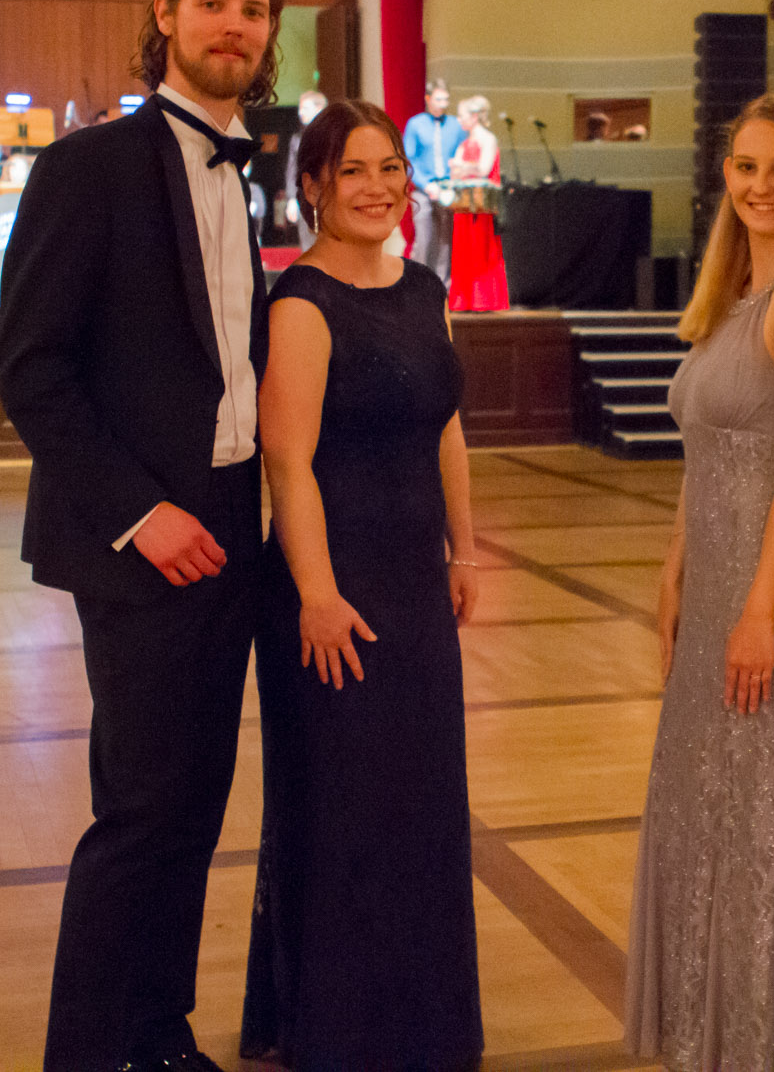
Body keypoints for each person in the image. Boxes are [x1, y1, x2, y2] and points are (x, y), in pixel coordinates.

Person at [0, 0, 284, 1072]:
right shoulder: (88, 166)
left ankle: (156, 1035)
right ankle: (83, 1053)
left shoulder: (240, 174)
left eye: (252, 11)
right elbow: (31, 369)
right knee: (140, 811)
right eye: (213, 3)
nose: (233, 27)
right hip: (140, 536)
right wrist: (138, 513)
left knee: (195, 804)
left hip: (230, 527)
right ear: (165, 15)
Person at [626, 94, 774, 1068]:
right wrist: (676, 569)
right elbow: (707, 458)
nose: (761, 186)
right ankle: (720, 1034)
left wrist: (761, 608)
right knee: (712, 814)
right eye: (746, 166)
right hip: (716, 590)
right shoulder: (728, 295)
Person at [249, 99, 483, 1069]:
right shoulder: (301, 302)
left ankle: (420, 1021)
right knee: (346, 802)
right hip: (332, 583)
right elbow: (287, 459)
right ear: (312, 186)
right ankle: (341, 1027)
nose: (378, 186)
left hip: (414, 582)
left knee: (420, 801)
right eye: (353, 170)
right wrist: (315, 591)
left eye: (390, 168)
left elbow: (446, 426)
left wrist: (463, 549)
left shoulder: (423, 288)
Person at [447, 94, 509, 312]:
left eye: (462, 115)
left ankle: (483, 300)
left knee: (481, 248)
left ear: (474, 116)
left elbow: (483, 169)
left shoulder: (488, 139)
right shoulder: (464, 143)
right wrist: (464, 168)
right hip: (465, 205)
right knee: (464, 250)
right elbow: (454, 172)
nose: (459, 120)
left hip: (482, 206)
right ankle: (465, 300)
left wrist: (462, 167)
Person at [402, 80, 462, 280]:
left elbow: (461, 155)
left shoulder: (455, 125)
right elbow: (408, 160)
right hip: (423, 189)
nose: (443, 104)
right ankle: (420, 283)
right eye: (438, 99)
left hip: (448, 189)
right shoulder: (416, 124)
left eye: (446, 99)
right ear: (428, 99)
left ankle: (443, 285)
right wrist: (426, 184)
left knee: (446, 241)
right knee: (425, 238)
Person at [282, 88, 329, 250]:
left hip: (331, 199)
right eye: (300, 108)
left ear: (319, 109)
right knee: (308, 247)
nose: (300, 113)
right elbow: (292, 171)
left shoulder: (335, 136)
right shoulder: (297, 140)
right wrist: (291, 199)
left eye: (305, 108)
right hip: (306, 199)